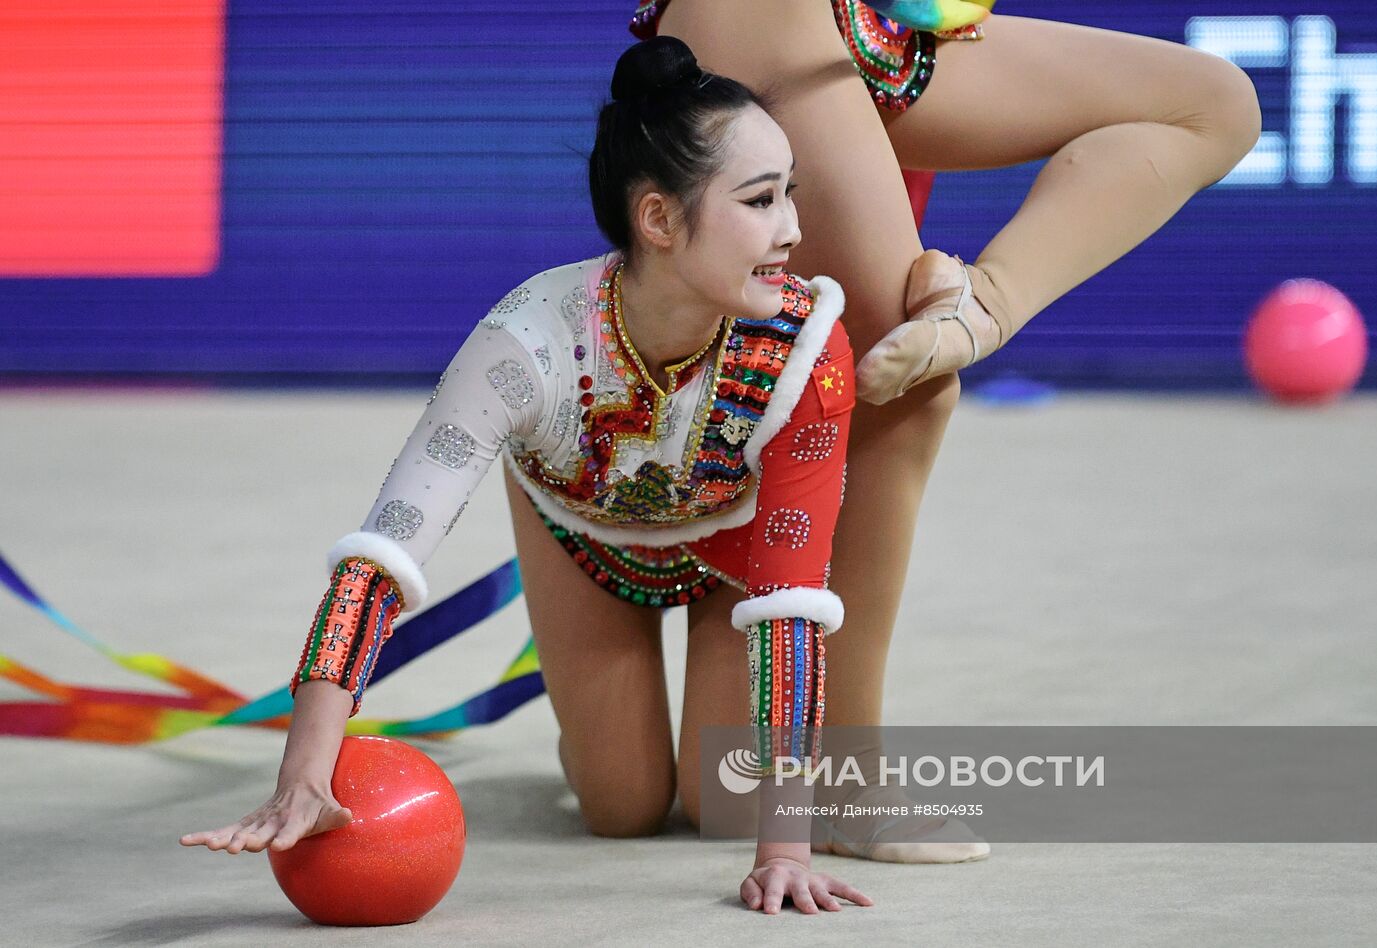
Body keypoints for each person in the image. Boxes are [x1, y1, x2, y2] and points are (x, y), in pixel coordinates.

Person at [179, 36, 934, 916]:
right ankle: (602, 731)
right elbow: (385, 551)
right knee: (620, 810)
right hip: (580, 537)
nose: (793, 230)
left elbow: (795, 594)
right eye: (761, 201)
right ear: (658, 219)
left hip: (736, 563)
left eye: (789, 195)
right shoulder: (525, 346)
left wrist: (785, 850)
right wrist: (305, 771)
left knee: (724, 808)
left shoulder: (808, 349)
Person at [635, 0, 1263, 860]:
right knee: (901, 384)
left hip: (881, 23)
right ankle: (845, 784)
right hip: (774, 13)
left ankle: (983, 302)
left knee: (1211, 103)